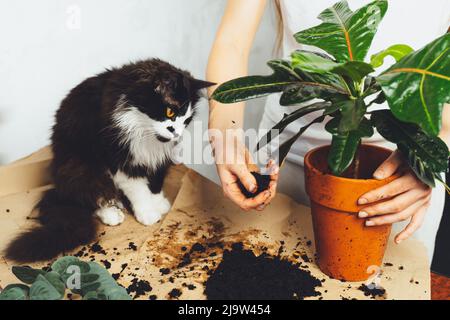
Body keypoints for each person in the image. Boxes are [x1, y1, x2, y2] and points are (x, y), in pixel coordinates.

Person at [206, 0, 450, 260]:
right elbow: (233, 41)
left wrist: (431, 152)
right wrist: (223, 131)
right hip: (285, 161)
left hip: (401, 180)